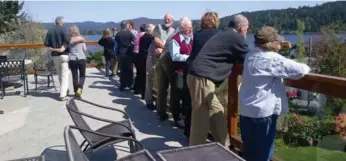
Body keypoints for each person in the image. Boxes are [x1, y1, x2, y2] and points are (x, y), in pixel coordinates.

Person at [239, 26, 311, 161]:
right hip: (263, 115)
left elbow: (270, 59)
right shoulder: (272, 59)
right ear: (272, 43)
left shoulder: (251, 55)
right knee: (263, 154)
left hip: (247, 111)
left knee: (249, 152)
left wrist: (279, 46)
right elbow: (300, 70)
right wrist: (308, 66)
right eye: (277, 41)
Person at [187, 14, 249, 146]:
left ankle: (224, 146)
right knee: (200, 122)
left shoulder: (226, 33)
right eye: (247, 29)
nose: (247, 32)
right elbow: (250, 58)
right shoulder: (236, 37)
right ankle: (194, 152)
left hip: (198, 77)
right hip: (202, 79)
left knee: (217, 112)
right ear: (242, 28)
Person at [184, 12, 220, 138]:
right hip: (204, 75)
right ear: (215, 21)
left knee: (194, 105)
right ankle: (204, 140)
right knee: (209, 109)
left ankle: (189, 133)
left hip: (191, 71)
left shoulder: (197, 35)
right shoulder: (217, 35)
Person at [44, 16, 84, 101]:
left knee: (59, 75)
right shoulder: (64, 30)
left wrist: (52, 47)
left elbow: (46, 43)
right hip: (64, 55)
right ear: (61, 22)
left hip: (54, 56)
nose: (64, 23)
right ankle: (63, 95)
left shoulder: (50, 31)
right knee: (65, 76)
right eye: (63, 21)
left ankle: (64, 90)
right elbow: (68, 41)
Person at [145, 13, 175, 112]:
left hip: (164, 57)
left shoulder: (173, 31)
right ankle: (149, 100)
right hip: (153, 55)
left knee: (161, 81)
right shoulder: (158, 27)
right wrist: (166, 48)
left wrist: (164, 50)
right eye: (166, 19)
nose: (167, 20)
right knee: (150, 77)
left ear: (172, 21)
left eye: (169, 19)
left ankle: (159, 105)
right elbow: (157, 40)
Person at [169, 17, 193, 133]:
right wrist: (189, 58)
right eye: (188, 28)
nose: (190, 30)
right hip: (178, 71)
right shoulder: (175, 39)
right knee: (177, 93)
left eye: (191, 28)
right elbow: (175, 56)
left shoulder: (191, 38)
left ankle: (185, 117)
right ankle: (177, 117)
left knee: (187, 94)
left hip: (188, 71)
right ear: (182, 28)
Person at [114, 20, 136, 91]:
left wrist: (116, 54)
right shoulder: (129, 33)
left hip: (121, 53)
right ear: (127, 25)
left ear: (121, 26)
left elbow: (116, 46)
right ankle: (130, 84)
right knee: (129, 69)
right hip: (129, 53)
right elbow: (135, 42)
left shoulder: (118, 34)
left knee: (122, 69)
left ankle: (122, 85)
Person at [136, 24, 156, 99]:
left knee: (141, 76)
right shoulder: (151, 38)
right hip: (147, 58)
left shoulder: (142, 37)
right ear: (151, 31)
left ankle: (142, 93)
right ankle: (146, 95)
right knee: (147, 77)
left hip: (140, 57)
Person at [133, 24, 147, 94]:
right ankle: (141, 90)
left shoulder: (137, 35)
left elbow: (134, 43)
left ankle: (136, 88)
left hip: (135, 54)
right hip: (141, 54)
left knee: (138, 72)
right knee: (143, 74)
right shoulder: (145, 36)